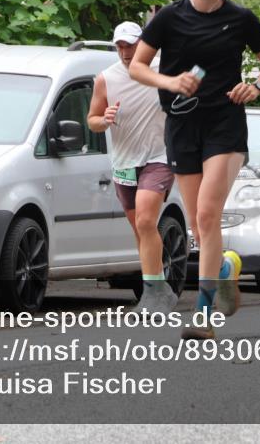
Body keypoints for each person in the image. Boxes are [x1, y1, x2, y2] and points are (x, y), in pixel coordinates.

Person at [129, 0, 260, 339]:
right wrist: (169, 81)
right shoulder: (168, 18)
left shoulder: (240, 17)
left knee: (209, 215)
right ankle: (226, 267)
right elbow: (138, 67)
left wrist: (256, 86)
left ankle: (203, 316)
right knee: (199, 226)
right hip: (181, 124)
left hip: (225, 125)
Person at [87, 21, 177, 314]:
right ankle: (161, 289)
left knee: (146, 221)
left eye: (131, 45)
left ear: (143, 44)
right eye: (120, 46)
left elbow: (197, 74)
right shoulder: (105, 79)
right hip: (124, 162)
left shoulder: (163, 68)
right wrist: (106, 118)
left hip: (159, 156)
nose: (125, 52)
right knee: (141, 232)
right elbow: (93, 120)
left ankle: (151, 293)